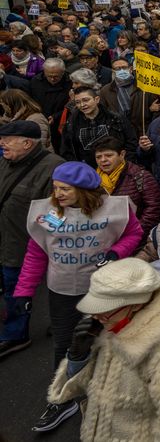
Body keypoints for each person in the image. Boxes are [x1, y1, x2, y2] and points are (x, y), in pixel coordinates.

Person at [14, 161, 143, 432]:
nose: (57, 194)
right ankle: (64, 398)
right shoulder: (48, 212)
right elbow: (37, 252)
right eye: (56, 188)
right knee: (64, 344)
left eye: (64, 189)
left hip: (103, 288)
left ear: (84, 190)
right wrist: (24, 291)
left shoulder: (114, 210)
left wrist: (116, 252)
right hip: (62, 291)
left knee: (110, 340)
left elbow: (134, 234)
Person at [46, 258, 160, 441]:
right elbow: (83, 387)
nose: (95, 315)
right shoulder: (106, 328)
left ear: (135, 304)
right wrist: (78, 357)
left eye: (105, 308)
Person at [0, 121, 64, 359]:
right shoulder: (5, 161)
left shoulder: (54, 168)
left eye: (8, 139)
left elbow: (60, 210)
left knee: (18, 290)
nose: (2, 144)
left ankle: (15, 335)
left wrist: (42, 240)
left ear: (27, 143)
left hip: (25, 246)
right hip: (5, 238)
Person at [93, 136, 160, 237]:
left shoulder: (140, 176)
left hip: (134, 239)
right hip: (102, 239)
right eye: (98, 157)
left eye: (108, 155)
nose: (103, 160)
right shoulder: (91, 180)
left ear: (122, 154)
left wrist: (134, 232)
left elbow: (154, 208)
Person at [60, 85, 137, 168]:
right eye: (78, 102)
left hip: (117, 169)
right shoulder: (71, 124)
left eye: (86, 100)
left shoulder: (116, 119)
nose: (82, 105)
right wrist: (79, 169)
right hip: (86, 171)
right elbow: (66, 151)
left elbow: (131, 143)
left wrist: (125, 165)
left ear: (96, 99)